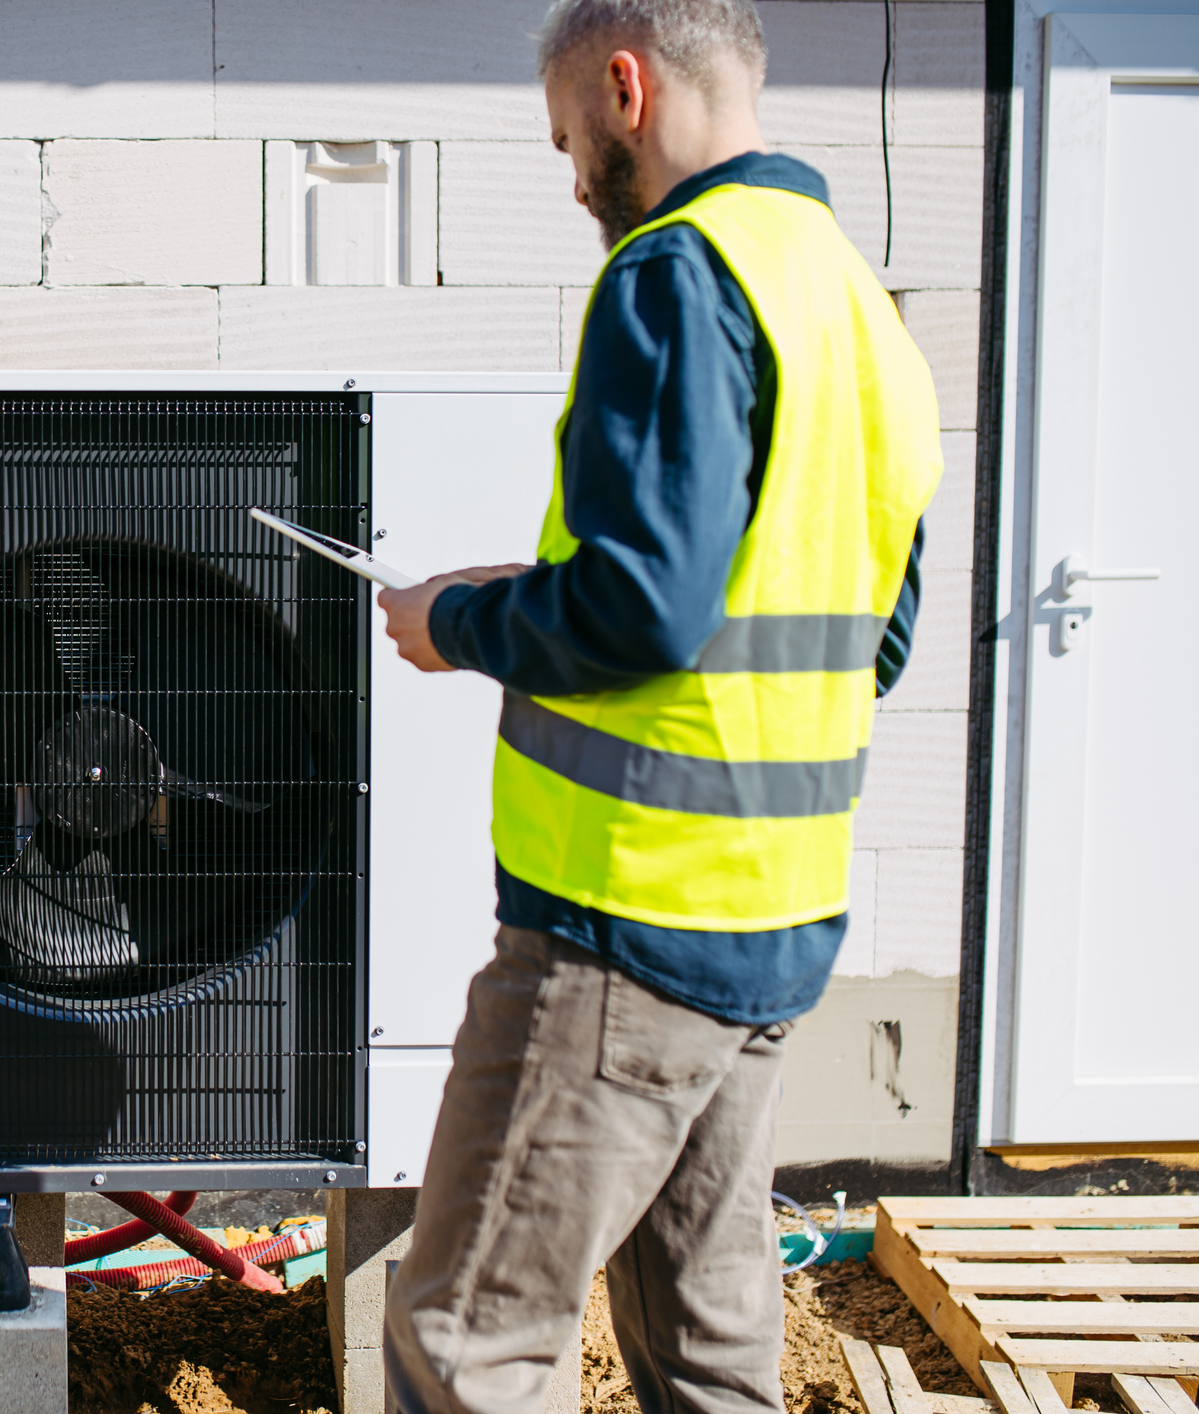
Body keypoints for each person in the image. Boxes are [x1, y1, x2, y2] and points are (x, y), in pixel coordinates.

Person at [374, 0, 943, 1410]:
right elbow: (864, 639)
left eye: (569, 136)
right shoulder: (849, 298)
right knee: (707, 1344)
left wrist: (453, 620)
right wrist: (562, 588)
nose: (573, 177)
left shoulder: (672, 274)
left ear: (624, 87)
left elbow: (643, 610)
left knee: (467, 1339)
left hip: (622, 929)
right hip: (771, 920)